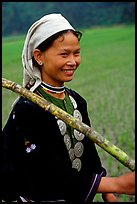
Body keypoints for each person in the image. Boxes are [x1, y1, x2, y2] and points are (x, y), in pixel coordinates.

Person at [1, 13, 135, 202]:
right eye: (64, 54)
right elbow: (46, 173)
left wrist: (108, 192)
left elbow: (89, 153)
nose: (72, 61)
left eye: (76, 53)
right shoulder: (28, 109)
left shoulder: (76, 101)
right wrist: (118, 184)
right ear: (39, 56)